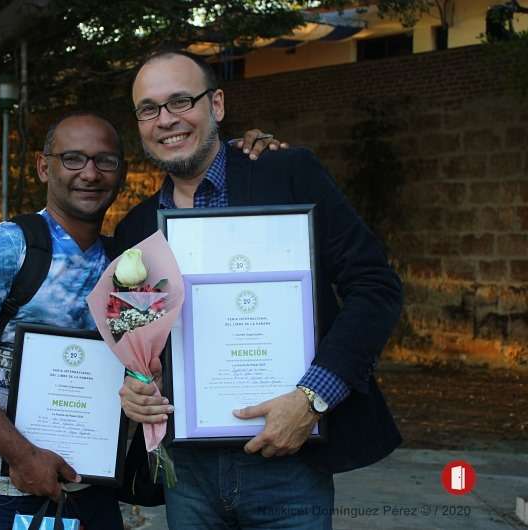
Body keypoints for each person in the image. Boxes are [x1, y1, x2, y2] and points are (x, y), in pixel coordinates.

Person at [0, 110, 281, 530]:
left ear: (122, 172)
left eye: (105, 161)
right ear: (43, 166)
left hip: (93, 493)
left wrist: (245, 153)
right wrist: (22, 456)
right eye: (72, 158)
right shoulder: (5, 246)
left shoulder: (129, 262)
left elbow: (146, 359)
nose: (89, 173)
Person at [115, 50, 403, 530]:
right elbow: (136, 338)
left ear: (218, 105)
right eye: (149, 108)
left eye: (181, 101)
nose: (165, 120)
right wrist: (136, 387)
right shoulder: (136, 229)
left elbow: (375, 286)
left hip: (289, 462)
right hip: (187, 474)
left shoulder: (286, 175)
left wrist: (312, 399)